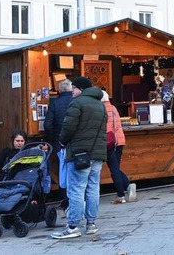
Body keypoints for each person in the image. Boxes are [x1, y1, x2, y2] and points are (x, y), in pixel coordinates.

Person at [52, 76, 106, 240]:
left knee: (76, 189)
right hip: (97, 154)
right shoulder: (100, 105)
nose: (71, 91)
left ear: (81, 89)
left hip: (79, 155)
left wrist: (61, 141)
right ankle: (91, 224)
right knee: (93, 188)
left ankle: (73, 226)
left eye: (74, 88)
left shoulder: (77, 103)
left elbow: (68, 128)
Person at [101, 90, 136, 204]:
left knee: (114, 169)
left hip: (111, 142)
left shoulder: (101, 110)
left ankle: (120, 195)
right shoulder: (114, 108)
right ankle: (128, 185)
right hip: (120, 141)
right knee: (115, 168)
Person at [44, 79, 73, 212]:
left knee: (63, 171)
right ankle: (75, 199)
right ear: (71, 89)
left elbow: (47, 125)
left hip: (60, 143)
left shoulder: (54, 104)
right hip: (76, 143)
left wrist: (53, 140)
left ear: (59, 91)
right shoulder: (76, 101)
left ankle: (65, 199)